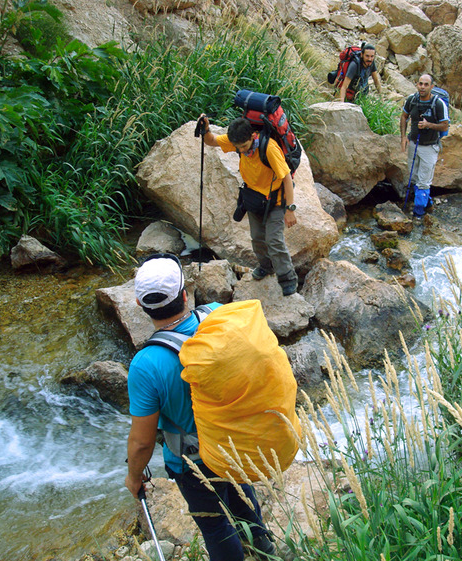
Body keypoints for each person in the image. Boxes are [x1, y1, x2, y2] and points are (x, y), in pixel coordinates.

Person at [125, 253, 276, 561]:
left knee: (216, 527)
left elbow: (142, 441)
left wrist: (134, 476)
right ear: (184, 293)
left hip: (192, 461)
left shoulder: (145, 365)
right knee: (244, 501)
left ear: (141, 306)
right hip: (236, 441)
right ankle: (266, 551)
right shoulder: (220, 315)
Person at [199, 114, 298, 296]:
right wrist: (205, 128)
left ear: (253, 135)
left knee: (274, 240)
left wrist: (290, 209)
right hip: (254, 198)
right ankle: (266, 267)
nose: (242, 151)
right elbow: (211, 141)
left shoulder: (269, 149)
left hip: (275, 201)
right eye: (238, 148)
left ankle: (288, 278)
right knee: (257, 238)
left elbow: (286, 179)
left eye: (244, 147)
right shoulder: (237, 140)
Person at [400, 74, 450, 218]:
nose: (422, 87)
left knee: (423, 182)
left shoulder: (438, 104)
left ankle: (418, 214)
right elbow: (404, 116)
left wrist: (428, 125)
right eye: (420, 84)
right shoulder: (412, 100)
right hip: (414, 143)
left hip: (430, 147)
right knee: (414, 177)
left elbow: (445, 125)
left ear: (431, 87)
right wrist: (403, 137)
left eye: (426, 84)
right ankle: (427, 204)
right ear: (417, 84)